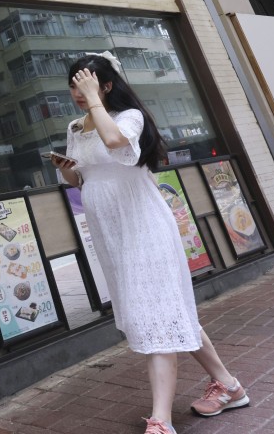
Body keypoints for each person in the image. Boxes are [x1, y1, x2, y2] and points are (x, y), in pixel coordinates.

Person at [52, 51, 249, 434]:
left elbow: (114, 142)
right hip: (111, 232)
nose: (79, 91)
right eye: (74, 84)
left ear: (106, 85)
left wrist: (95, 101)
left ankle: (160, 421)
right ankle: (229, 386)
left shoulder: (129, 118)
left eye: (87, 83)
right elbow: (81, 181)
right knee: (170, 312)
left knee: (154, 316)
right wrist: (68, 170)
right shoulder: (76, 127)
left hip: (144, 226)